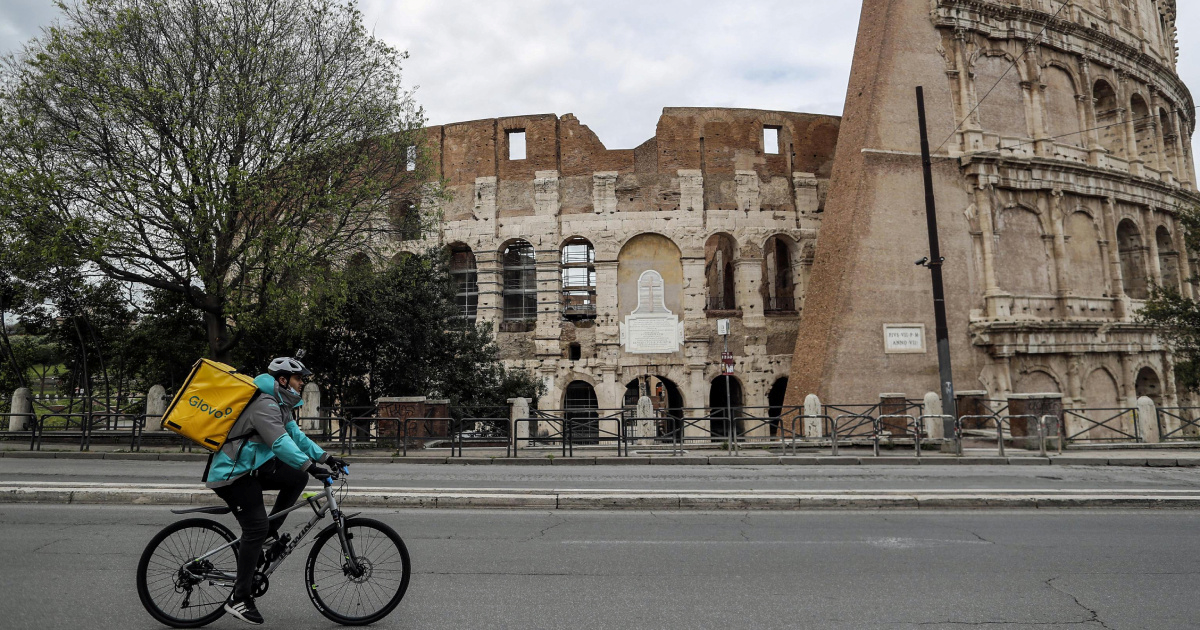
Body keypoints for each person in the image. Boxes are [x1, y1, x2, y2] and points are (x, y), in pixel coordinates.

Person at [205, 356, 348, 625]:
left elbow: (296, 436)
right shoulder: (264, 403)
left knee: (295, 479)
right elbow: (280, 442)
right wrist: (310, 466)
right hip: (232, 474)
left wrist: (326, 458)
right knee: (255, 527)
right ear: (283, 380)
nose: (302, 383)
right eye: (298, 379)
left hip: (252, 468)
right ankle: (239, 597)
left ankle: (269, 535)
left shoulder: (280, 404)